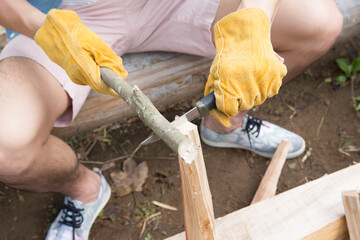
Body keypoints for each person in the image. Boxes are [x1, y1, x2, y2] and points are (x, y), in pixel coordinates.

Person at [0, 0, 343, 239]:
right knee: (5, 145)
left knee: (319, 22)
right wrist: (42, 26)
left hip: (178, 3)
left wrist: (255, 16)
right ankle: (86, 191)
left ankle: (227, 122)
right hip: (66, 14)